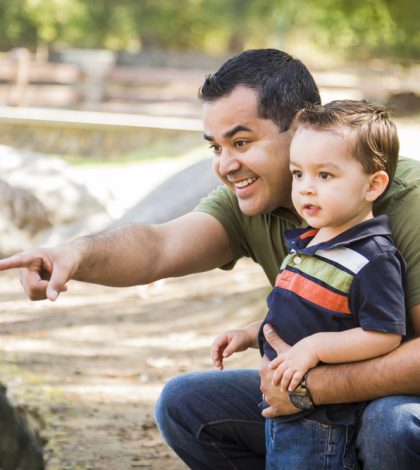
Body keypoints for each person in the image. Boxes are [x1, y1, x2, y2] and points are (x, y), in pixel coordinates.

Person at [0, 49, 419, 469]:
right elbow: (158, 247)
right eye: (216, 148)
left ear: (300, 128)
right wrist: (74, 254)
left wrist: (313, 388)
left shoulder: (404, 201)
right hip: (313, 399)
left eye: (241, 142)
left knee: (392, 425)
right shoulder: (258, 198)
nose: (226, 165)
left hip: (393, 401)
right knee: (187, 406)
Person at [211, 100, 406, 468]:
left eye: (325, 176)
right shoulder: (309, 242)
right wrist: (250, 333)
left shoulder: (371, 257)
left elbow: (384, 334)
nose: (306, 189)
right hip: (282, 404)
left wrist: (316, 348)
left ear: (373, 185)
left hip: (322, 419)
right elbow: (299, 313)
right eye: (298, 174)